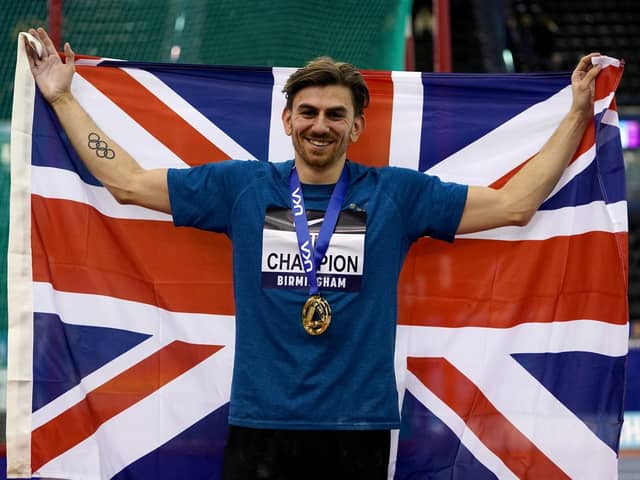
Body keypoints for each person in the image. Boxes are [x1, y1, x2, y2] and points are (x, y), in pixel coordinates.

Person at [24, 27, 602, 479]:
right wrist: (63, 97)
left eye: (334, 115)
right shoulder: (244, 188)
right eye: (308, 112)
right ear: (287, 121)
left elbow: (513, 205)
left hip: (358, 427)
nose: (319, 125)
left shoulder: (396, 195)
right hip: (261, 426)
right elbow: (125, 181)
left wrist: (577, 113)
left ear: (356, 126)